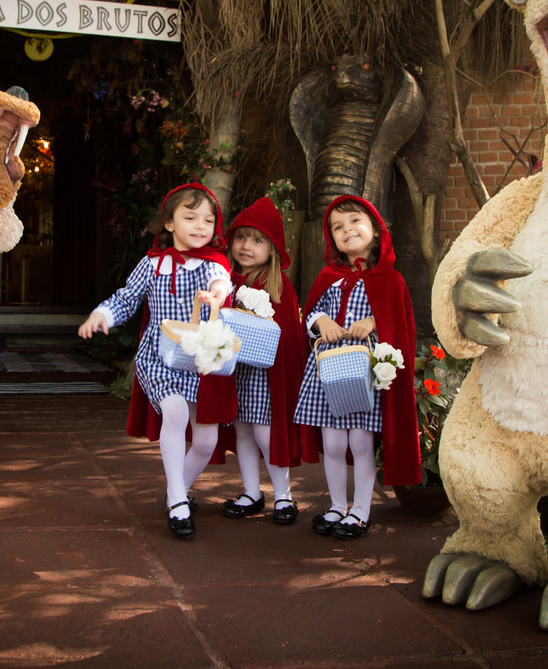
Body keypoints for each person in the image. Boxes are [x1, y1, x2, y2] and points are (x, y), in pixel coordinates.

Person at [78, 182, 234, 539]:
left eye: (208, 221)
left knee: (207, 442)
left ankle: (173, 490)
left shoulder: (214, 264)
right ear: (168, 223)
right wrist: (102, 314)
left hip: (198, 359)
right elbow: (126, 298)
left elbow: (221, 283)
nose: (199, 226)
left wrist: (218, 293)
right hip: (159, 355)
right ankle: (179, 501)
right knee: (176, 412)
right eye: (189, 217)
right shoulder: (152, 265)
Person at [293, 195, 421, 539]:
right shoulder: (329, 276)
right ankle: (337, 506)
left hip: (365, 375)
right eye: (338, 227)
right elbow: (310, 313)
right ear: (331, 238)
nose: (347, 229)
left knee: (361, 444)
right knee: (333, 444)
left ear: (376, 231)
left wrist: (375, 320)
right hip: (328, 372)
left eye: (354, 221)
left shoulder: (391, 280)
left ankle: (361, 511)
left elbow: (399, 324)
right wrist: (321, 321)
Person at [219, 197, 313, 524]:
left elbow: (287, 335)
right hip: (234, 373)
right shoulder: (225, 280)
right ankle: (251, 492)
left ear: (272, 249)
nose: (247, 246)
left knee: (265, 433)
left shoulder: (277, 285)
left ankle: (284, 496)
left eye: (258, 240)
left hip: (264, 374)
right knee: (243, 432)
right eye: (241, 237)